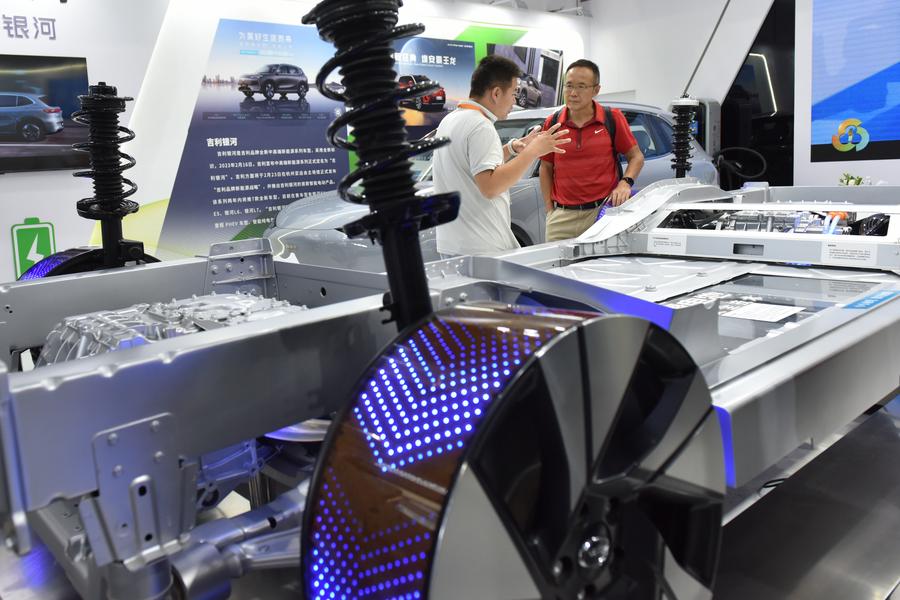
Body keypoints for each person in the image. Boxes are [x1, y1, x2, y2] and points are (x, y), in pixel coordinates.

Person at [433, 55, 570, 257]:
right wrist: (533, 152)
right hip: (480, 247)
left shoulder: (452, 119)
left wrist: (512, 149)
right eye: (513, 93)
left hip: (455, 243)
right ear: (496, 93)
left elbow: (472, 166)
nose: (514, 101)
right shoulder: (481, 126)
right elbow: (490, 186)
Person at [540, 59, 644, 242]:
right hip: (561, 219)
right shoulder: (553, 122)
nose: (573, 93)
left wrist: (625, 183)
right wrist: (550, 209)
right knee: (555, 261)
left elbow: (636, 157)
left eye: (581, 86)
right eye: (569, 86)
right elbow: (546, 167)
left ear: (596, 90)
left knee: (603, 261)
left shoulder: (612, 118)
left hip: (602, 214)